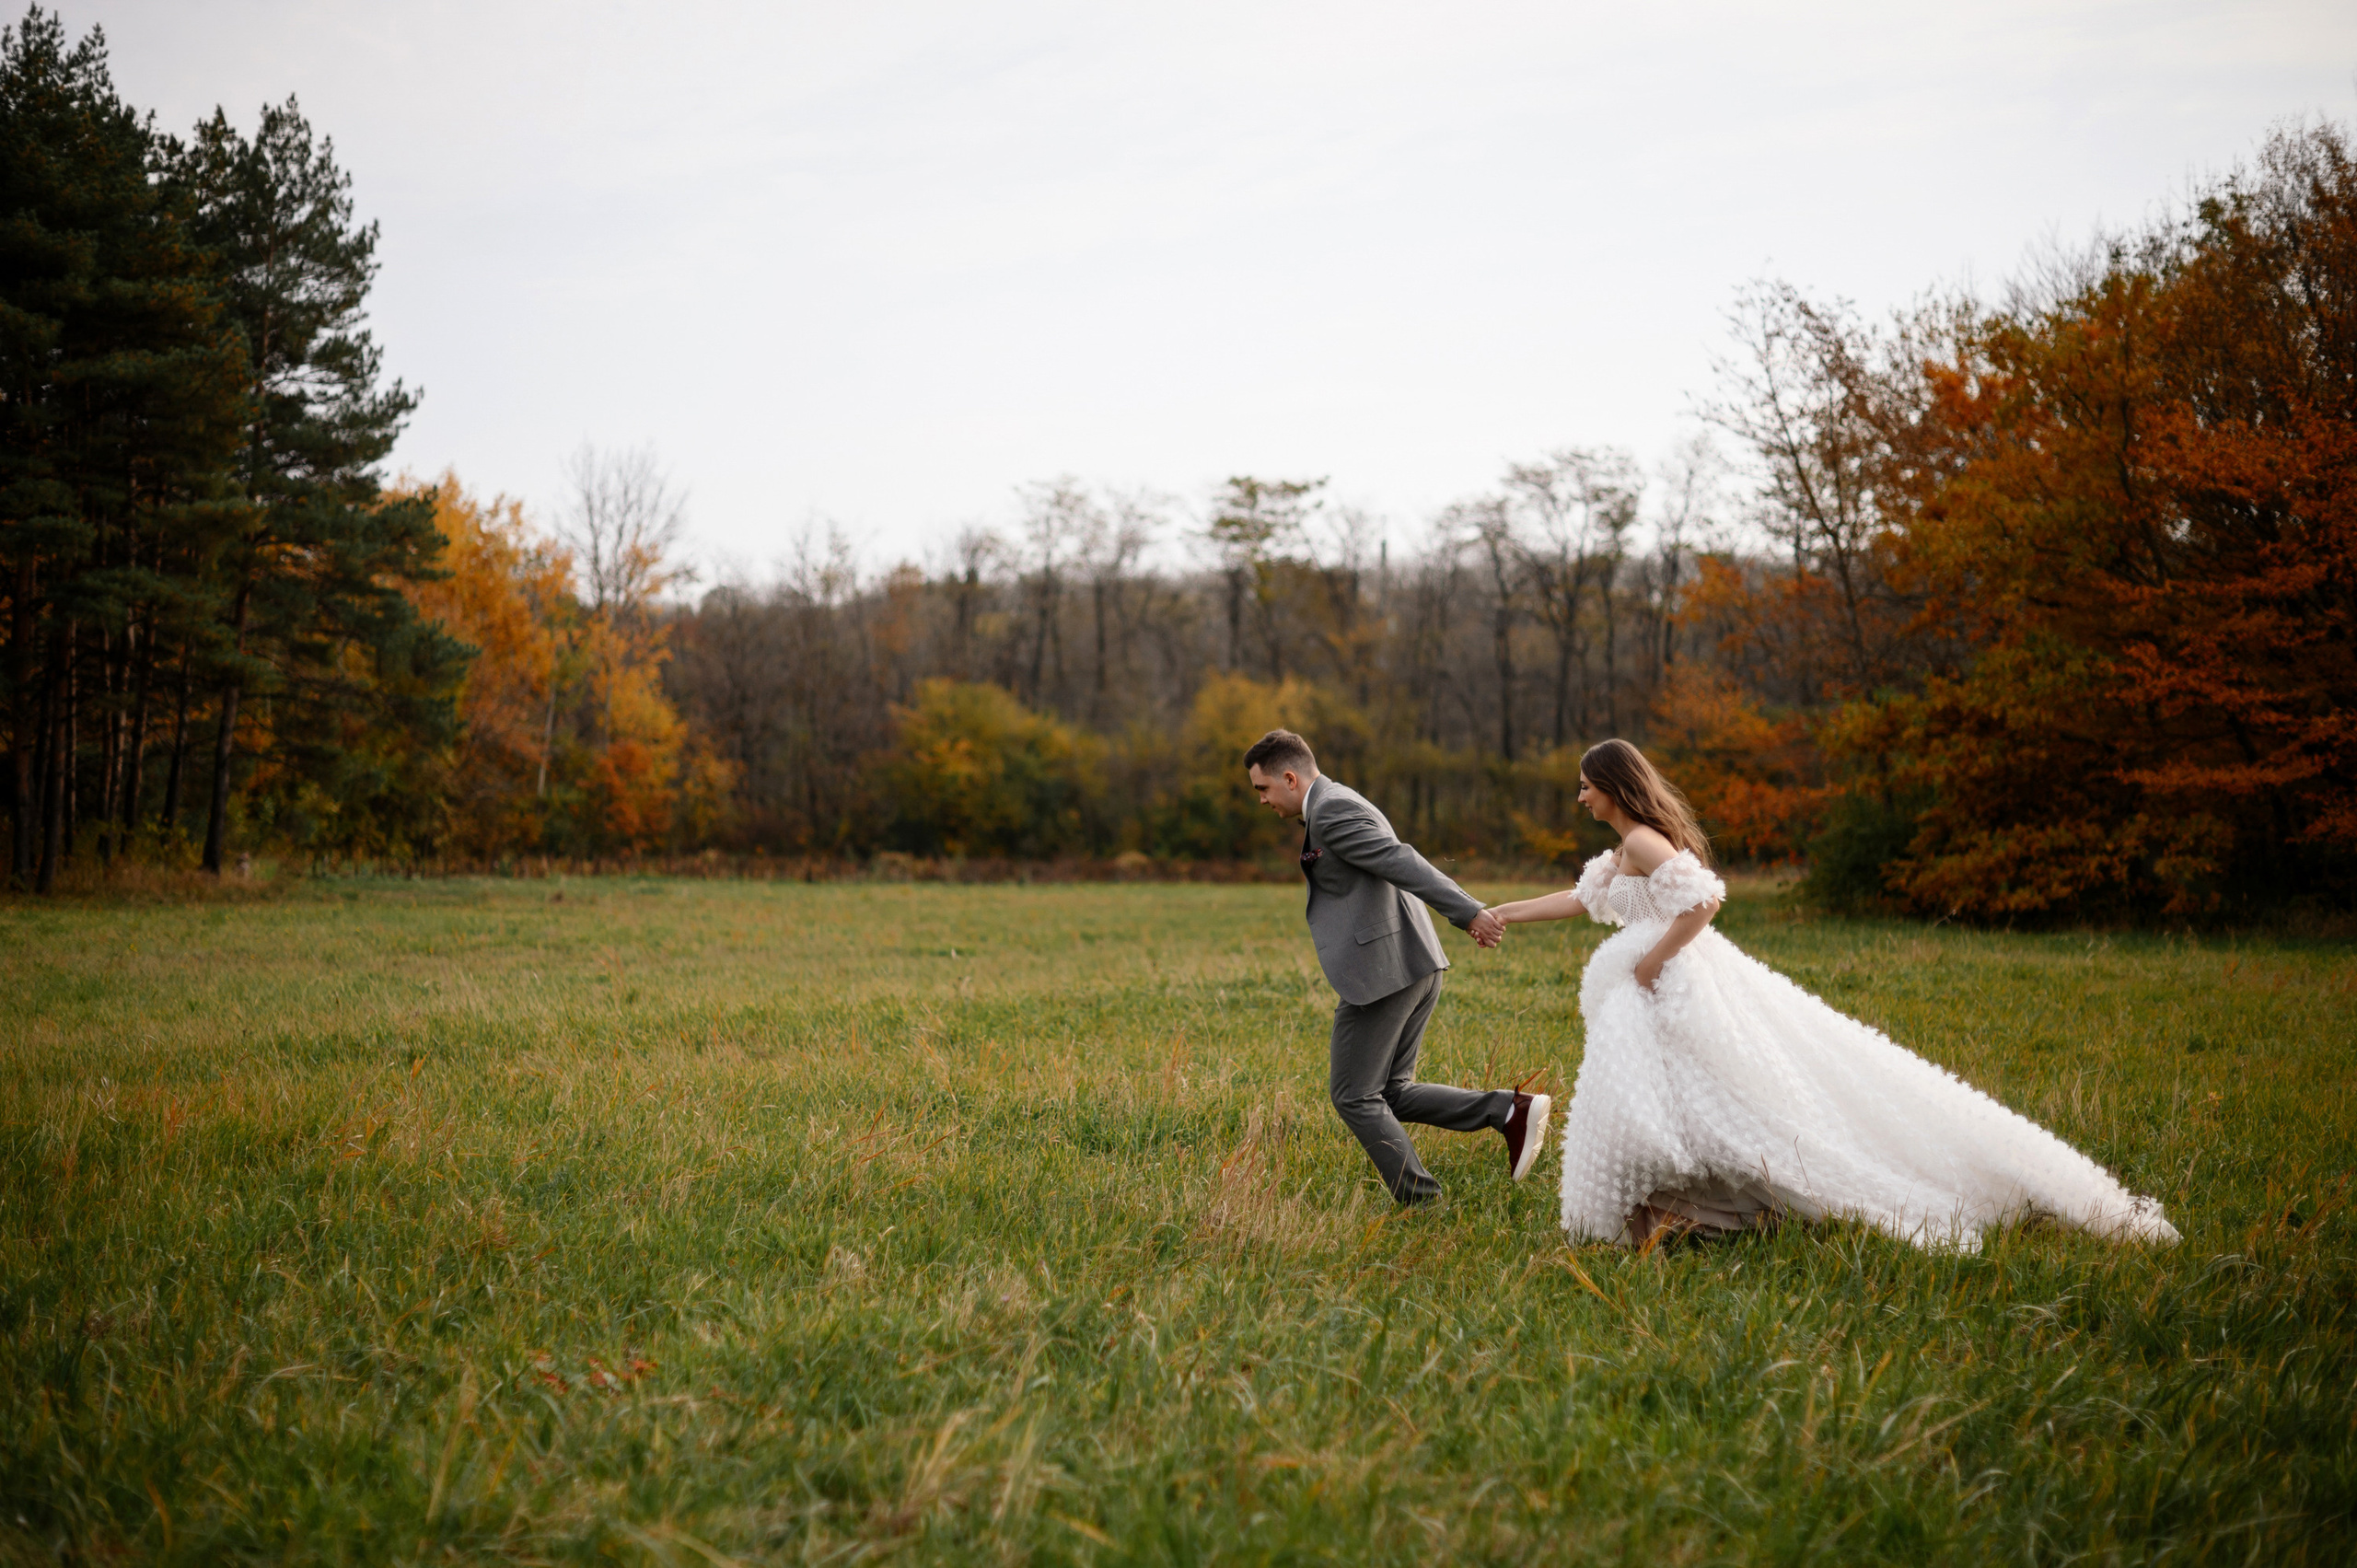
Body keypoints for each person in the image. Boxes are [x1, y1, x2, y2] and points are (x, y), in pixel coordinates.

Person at [1480, 738, 2180, 1250]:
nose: (1579, 797)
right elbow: (1579, 898)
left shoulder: (1642, 840)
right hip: (1657, 986)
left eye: (1584, 785)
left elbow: (1705, 899)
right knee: (1684, 1102)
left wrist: (1651, 965)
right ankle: (1676, 1217)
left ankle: (1682, 1213)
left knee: (1712, 1103)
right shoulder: (1627, 846)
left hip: (1673, 984)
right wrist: (1503, 913)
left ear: (1611, 785)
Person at [1244, 728, 1550, 1204]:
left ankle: (1420, 1200)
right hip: (1412, 963)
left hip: (1383, 973)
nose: (1260, 800)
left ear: (1289, 777)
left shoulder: (1330, 810)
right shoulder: (1336, 801)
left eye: (1262, 789)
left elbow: (1400, 861)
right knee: (1391, 1093)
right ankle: (1508, 1111)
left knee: (1353, 1094)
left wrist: (1468, 911)